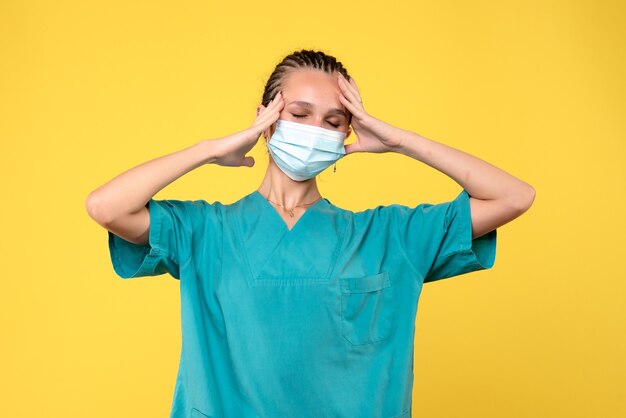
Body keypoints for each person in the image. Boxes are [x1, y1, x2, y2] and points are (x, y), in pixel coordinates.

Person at [86, 49, 535, 418]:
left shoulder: (387, 236)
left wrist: (402, 142)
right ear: (266, 120)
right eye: (299, 114)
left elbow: (513, 197)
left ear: (349, 134)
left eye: (334, 122)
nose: (315, 130)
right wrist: (212, 150)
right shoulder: (205, 232)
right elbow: (105, 207)